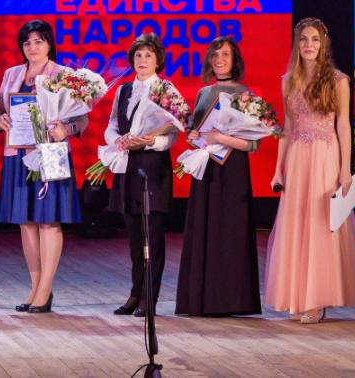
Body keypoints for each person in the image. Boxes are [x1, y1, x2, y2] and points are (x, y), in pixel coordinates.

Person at [265, 18, 355, 323]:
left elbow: (343, 126)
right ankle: (298, 296)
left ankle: (317, 299)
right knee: (297, 224)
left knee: (320, 224)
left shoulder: (338, 80)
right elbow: (287, 128)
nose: (308, 45)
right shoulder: (288, 80)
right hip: (298, 157)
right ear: (297, 44)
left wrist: (345, 169)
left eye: (314, 39)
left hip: (325, 156)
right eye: (303, 39)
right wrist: (278, 170)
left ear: (323, 44)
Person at [0, 20, 85, 313]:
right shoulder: (11, 74)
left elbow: (81, 119)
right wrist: (0, 121)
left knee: (48, 221)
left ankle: (45, 289)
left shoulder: (63, 75)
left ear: (49, 44)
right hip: (17, 154)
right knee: (26, 222)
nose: (32, 47)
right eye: (27, 42)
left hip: (51, 153)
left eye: (38, 41)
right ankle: (35, 287)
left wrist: (65, 130)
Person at [175, 36, 261, 317]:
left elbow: (253, 144)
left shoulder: (245, 95)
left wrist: (222, 138)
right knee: (203, 230)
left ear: (235, 60)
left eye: (225, 54)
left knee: (230, 234)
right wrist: (193, 136)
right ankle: (200, 301)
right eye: (215, 55)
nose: (219, 59)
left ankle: (230, 301)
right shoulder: (204, 93)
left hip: (233, 171)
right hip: (206, 168)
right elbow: (198, 133)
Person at [107, 33, 176, 318]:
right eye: (138, 55)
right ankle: (135, 293)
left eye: (148, 55)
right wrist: (118, 140)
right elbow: (112, 123)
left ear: (158, 60)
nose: (142, 60)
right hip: (127, 166)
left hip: (153, 168)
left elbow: (172, 133)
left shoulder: (165, 90)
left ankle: (150, 297)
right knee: (134, 237)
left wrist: (148, 141)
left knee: (152, 238)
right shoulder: (124, 90)